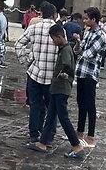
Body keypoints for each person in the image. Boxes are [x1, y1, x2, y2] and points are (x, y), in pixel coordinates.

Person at [28, 23, 86, 158]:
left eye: (53, 38)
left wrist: (63, 74)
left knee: (63, 118)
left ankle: (77, 147)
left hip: (61, 88)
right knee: (51, 115)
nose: (53, 41)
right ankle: (42, 143)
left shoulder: (66, 49)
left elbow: (67, 66)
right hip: (56, 88)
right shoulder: (65, 48)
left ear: (59, 37)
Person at [15, 1, 59, 147]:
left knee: (35, 105)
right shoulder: (59, 30)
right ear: (54, 15)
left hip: (34, 73)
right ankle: (48, 136)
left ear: (41, 14)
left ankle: (34, 135)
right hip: (51, 75)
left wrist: (26, 61)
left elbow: (18, 44)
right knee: (51, 107)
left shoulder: (34, 28)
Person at [74, 6, 106, 149]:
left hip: (91, 73)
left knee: (90, 104)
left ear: (94, 19)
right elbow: (79, 50)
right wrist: (77, 42)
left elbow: (90, 53)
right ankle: (80, 132)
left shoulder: (101, 35)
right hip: (81, 71)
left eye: (87, 18)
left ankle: (91, 135)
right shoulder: (87, 32)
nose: (84, 20)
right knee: (80, 101)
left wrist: (80, 49)